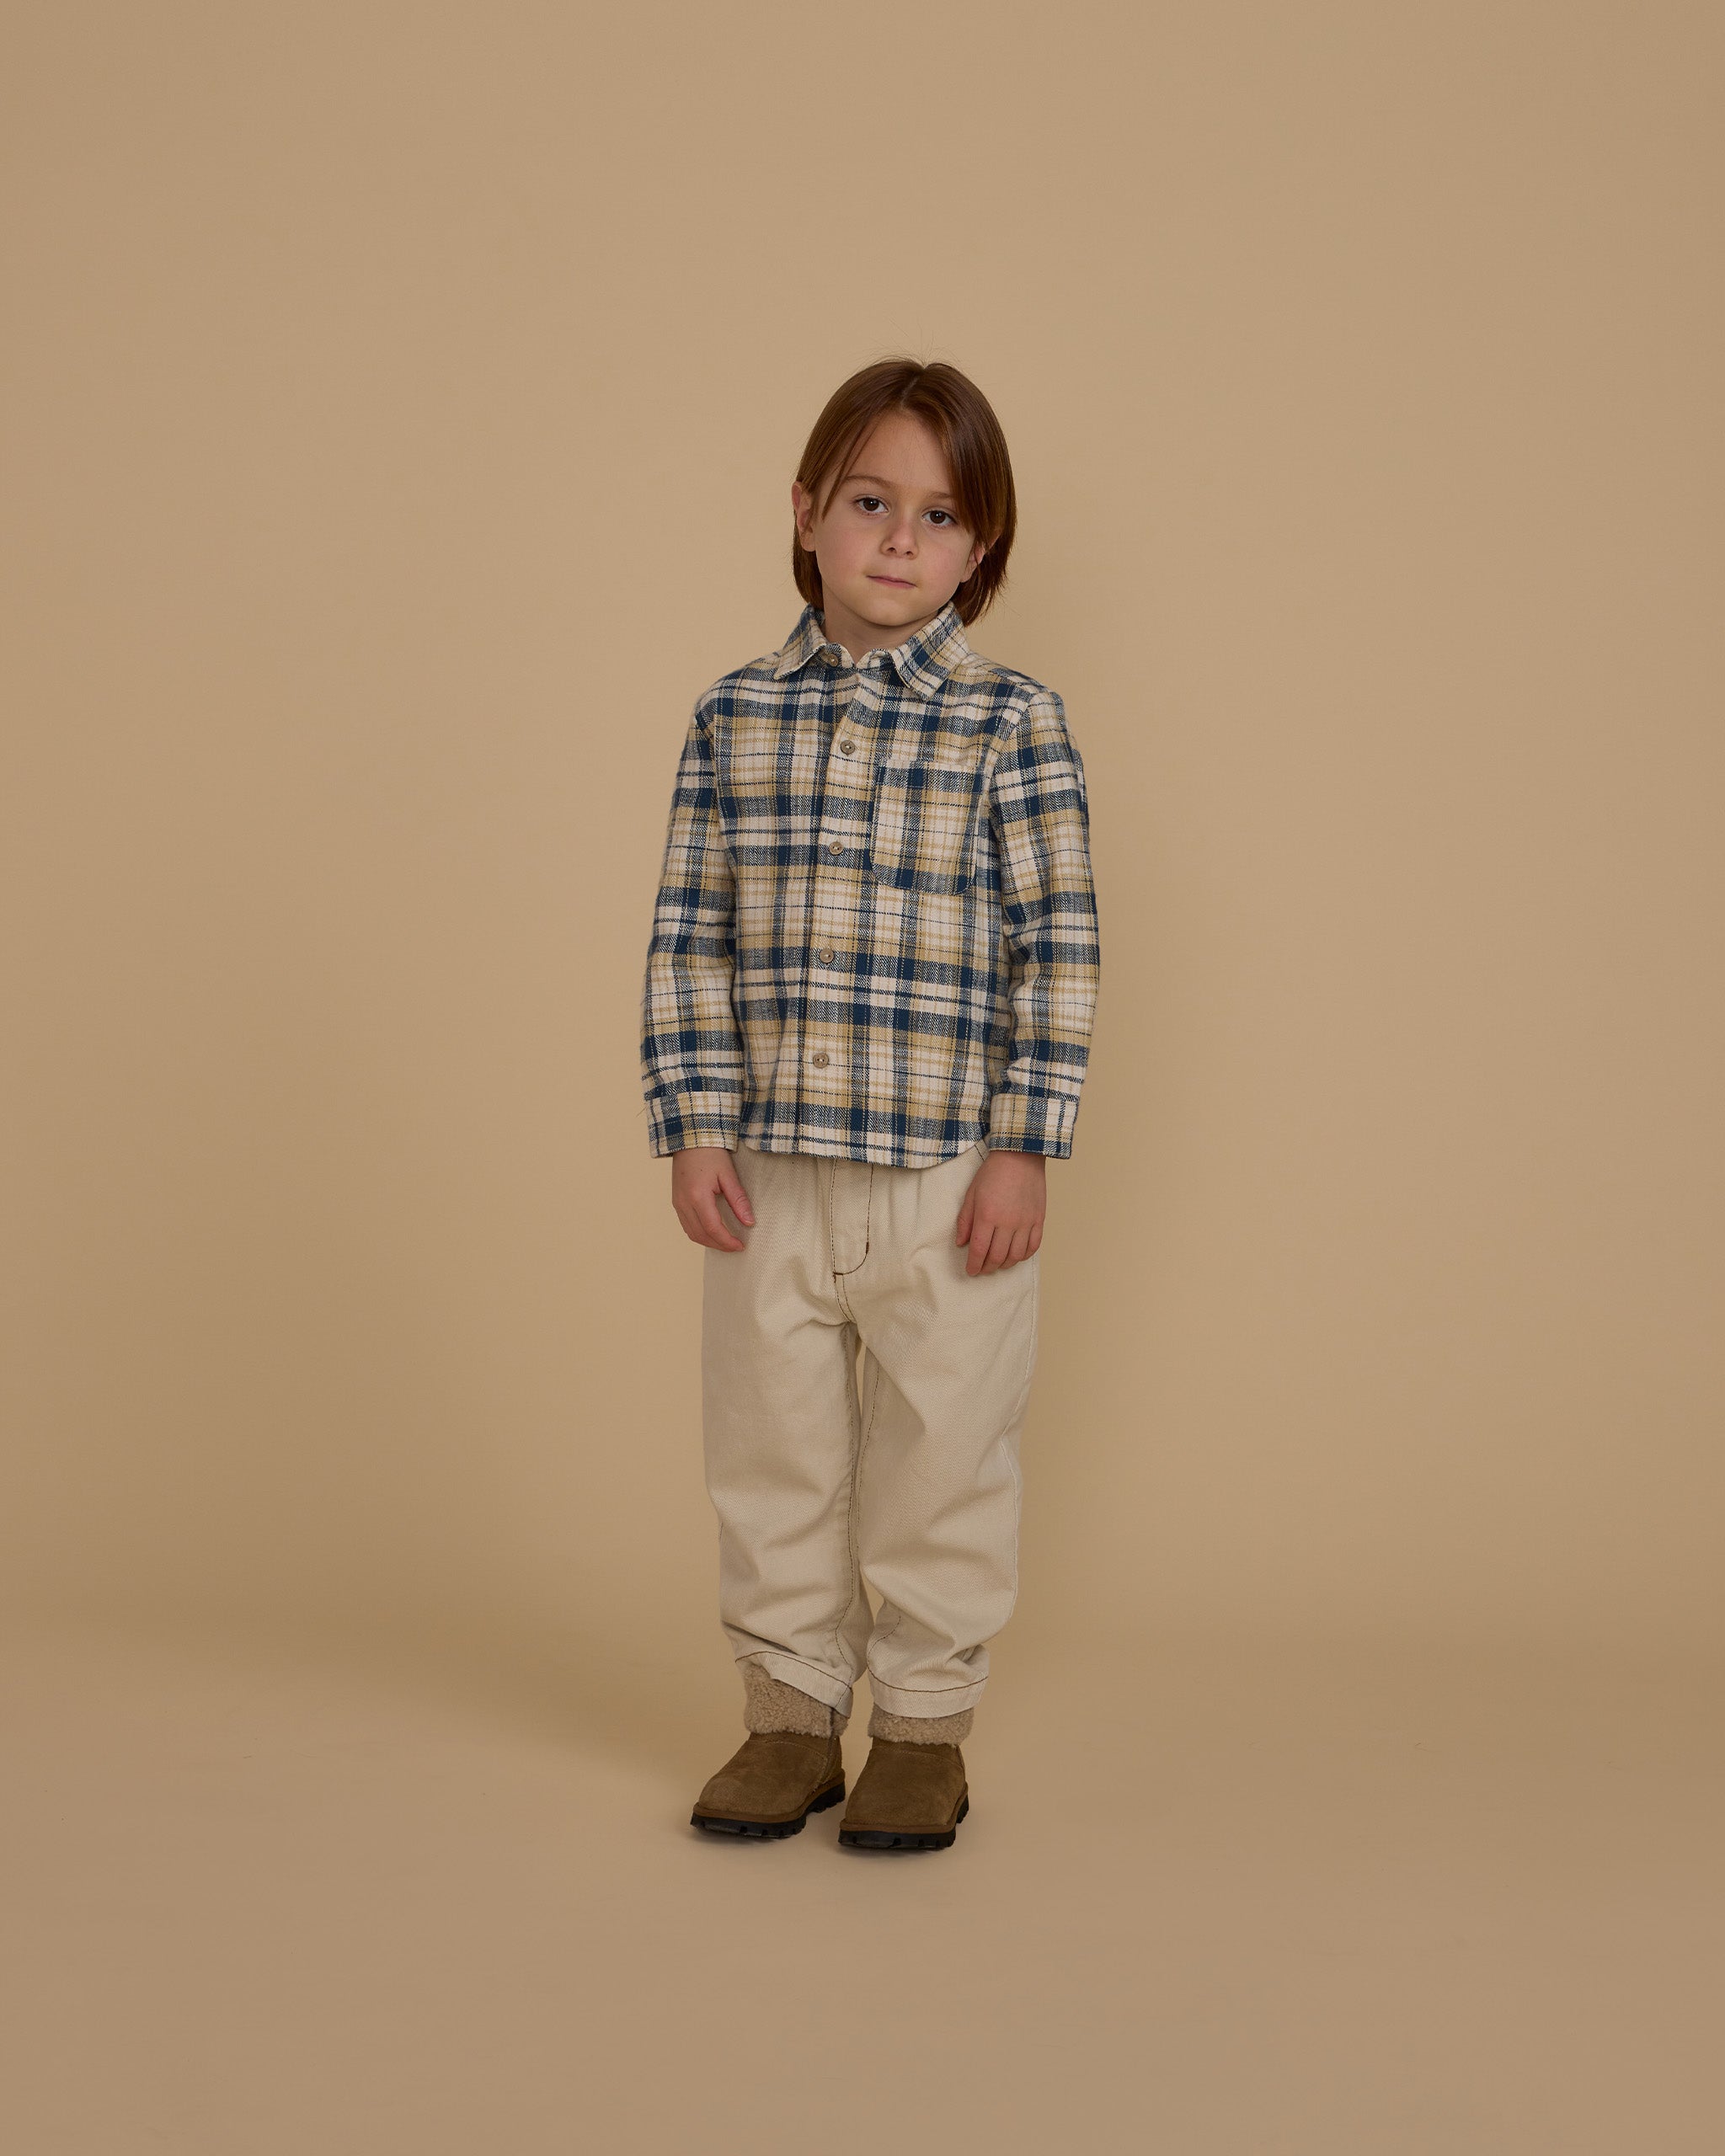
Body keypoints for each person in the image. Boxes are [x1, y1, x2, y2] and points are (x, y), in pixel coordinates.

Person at [638, 355, 1101, 1852]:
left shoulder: (1011, 724)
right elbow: (691, 936)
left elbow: (1059, 946)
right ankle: (789, 1719)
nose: (902, 538)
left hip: (945, 1179)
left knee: (943, 1454)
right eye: (870, 502)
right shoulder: (734, 717)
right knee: (770, 1450)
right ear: (807, 513)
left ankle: (920, 1729)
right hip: (771, 1176)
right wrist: (694, 1125)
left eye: (941, 514)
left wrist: (1025, 1147)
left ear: (981, 547)